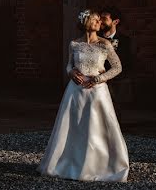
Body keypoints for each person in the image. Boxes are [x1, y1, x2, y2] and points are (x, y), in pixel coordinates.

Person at [37, 9, 130, 182]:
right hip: (75, 91)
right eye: (94, 20)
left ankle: (101, 166)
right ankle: (68, 163)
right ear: (85, 22)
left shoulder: (104, 44)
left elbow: (117, 67)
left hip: (97, 92)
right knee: (73, 128)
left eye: (99, 21)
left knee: (97, 129)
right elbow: (68, 65)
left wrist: (99, 78)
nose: (98, 23)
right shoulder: (74, 44)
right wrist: (71, 72)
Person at [100, 6, 135, 104]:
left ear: (115, 22)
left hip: (118, 84)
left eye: (104, 19)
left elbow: (128, 62)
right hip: (98, 83)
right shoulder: (94, 39)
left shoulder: (126, 41)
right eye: (100, 18)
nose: (101, 21)